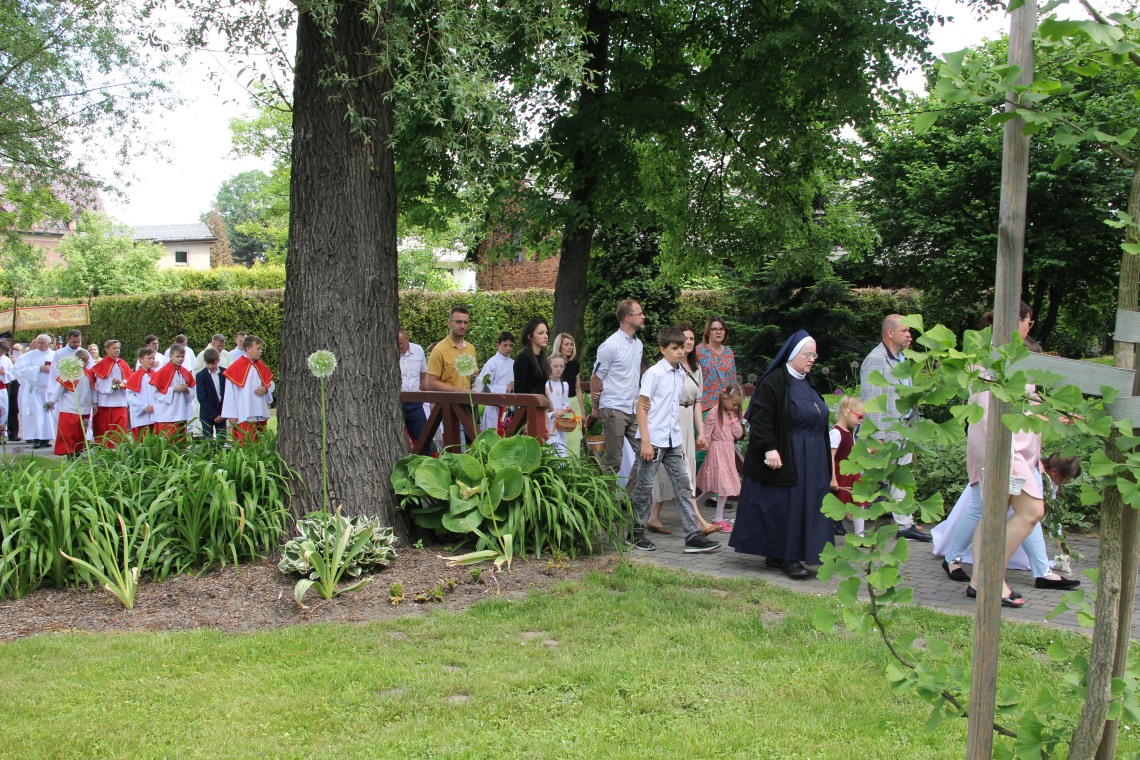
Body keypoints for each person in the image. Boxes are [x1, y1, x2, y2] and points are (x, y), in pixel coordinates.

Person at [729, 331, 833, 579]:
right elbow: (761, 417)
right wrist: (769, 447)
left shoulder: (808, 382)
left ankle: (782, 553)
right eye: (808, 354)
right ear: (793, 354)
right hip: (789, 452)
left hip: (812, 457)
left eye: (815, 355)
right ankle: (788, 556)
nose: (812, 359)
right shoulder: (774, 381)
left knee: (808, 505)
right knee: (790, 506)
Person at [629, 326, 721, 554]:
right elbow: (641, 406)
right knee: (644, 487)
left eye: (682, 347)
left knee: (683, 485)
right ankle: (635, 533)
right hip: (653, 439)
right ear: (663, 349)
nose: (680, 351)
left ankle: (692, 536)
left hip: (673, 439)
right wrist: (646, 441)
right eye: (674, 348)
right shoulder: (654, 373)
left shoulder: (681, 373)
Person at [860, 314, 932, 542]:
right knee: (870, 479)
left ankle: (904, 524)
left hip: (903, 431)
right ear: (890, 333)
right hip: (886, 432)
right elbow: (871, 399)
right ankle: (854, 523)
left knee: (900, 478)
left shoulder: (903, 359)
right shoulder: (876, 359)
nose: (909, 335)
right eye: (905, 331)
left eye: (909, 331)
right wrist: (877, 436)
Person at [647, 323, 718, 536]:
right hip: (672, 418)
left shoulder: (696, 368)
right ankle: (697, 520)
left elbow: (697, 402)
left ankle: (653, 516)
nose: (688, 342)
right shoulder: (668, 368)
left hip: (687, 420)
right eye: (684, 338)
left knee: (686, 469)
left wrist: (701, 432)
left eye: (691, 339)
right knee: (676, 471)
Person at [590, 299, 646, 489]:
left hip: (633, 408)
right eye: (640, 313)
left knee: (645, 453)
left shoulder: (638, 344)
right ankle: (607, 502)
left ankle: (629, 498)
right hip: (614, 408)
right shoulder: (610, 345)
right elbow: (596, 378)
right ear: (628, 318)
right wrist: (596, 407)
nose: (643, 316)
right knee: (614, 460)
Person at [695, 383, 745, 532]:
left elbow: (738, 434)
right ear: (725, 397)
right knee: (723, 486)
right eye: (734, 404)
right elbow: (707, 433)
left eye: (737, 405)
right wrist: (703, 444)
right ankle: (718, 518)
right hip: (717, 452)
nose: (735, 407)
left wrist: (733, 418)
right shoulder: (714, 413)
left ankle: (694, 506)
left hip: (728, 452)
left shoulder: (731, 414)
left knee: (715, 488)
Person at [426, 306, 479, 443]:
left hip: (469, 405)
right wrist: (459, 390)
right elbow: (430, 383)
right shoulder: (439, 350)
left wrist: (477, 384)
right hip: (449, 407)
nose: (462, 326)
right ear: (449, 323)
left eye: (466, 322)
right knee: (457, 447)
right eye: (458, 322)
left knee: (474, 446)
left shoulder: (471, 348)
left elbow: (473, 375)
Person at [222, 335, 275, 444]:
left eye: (261, 349)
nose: (261, 351)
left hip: (259, 411)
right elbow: (229, 393)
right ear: (248, 349)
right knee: (245, 442)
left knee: (260, 442)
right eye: (258, 348)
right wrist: (231, 414)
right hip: (244, 411)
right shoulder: (235, 367)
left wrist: (265, 389)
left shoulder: (261, 366)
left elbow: (271, 384)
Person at [44, 349, 94, 456]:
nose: (87, 363)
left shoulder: (89, 374)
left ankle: (78, 450)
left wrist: (95, 403)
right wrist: (52, 402)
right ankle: (69, 452)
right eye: (85, 361)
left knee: (80, 432)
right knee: (69, 431)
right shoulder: (69, 373)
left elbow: (93, 390)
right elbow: (59, 388)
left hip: (84, 407)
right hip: (70, 407)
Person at [829, 395, 868, 536]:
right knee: (837, 504)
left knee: (859, 502)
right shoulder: (836, 433)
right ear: (847, 411)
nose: (861, 420)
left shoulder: (849, 432)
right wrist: (833, 479)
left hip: (851, 472)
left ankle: (860, 535)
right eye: (859, 416)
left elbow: (852, 451)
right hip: (841, 473)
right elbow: (831, 457)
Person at [14, 334, 56, 448]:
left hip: (49, 391)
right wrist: (38, 369)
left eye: (42, 342)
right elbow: (20, 369)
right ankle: (36, 438)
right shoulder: (28, 356)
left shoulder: (55, 355)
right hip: (35, 390)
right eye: (38, 342)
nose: (40, 345)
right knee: (36, 415)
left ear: (49, 343)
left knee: (48, 416)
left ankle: (46, 439)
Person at [90, 339, 132, 447]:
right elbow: (98, 385)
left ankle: (119, 451)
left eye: (118, 348)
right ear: (107, 350)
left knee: (120, 431)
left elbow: (129, 380)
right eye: (114, 348)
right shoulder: (102, 364)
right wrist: (112, 382)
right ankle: (106, 451)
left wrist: (122, 384)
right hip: (105, 403)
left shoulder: (123, 363)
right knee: (105, 431)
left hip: (120, 402)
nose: (117, 350)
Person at [150, 344, 196, 441]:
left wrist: (187, 390)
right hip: (167, 414)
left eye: (182, 356)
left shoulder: (185, 372)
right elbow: (155, 392)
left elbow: (193, 391)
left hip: (181, 411)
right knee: (168, 441)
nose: (180, 359)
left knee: (180, 441)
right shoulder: (163, 371)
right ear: (170, 356)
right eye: (177, 356)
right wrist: (173, 389)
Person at [551, 333, 584, 456]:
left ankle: (575, 466)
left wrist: (583, 412)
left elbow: (578, 389)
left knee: (575, 440)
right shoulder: (551, 364)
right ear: (559, 346)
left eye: (571, 344)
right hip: (558, 405)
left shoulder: (575, 365)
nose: (570, 347)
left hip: (574, 404)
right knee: (560, 441)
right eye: (566, 344)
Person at [476, 331, 515, 432]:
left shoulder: (514, 363)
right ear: (498, 345)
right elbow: (481, 386)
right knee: (492, 435)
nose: (508, 348)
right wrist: (504, 389)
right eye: (505, 345)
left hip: (509, 407)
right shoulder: (491, 363)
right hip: (493, 409)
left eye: (510, 345)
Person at [398, 327, 430, 443]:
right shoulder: (389, 353)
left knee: (424, 438)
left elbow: (423, 376)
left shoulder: (418, 350)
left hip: (416, 403)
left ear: (407, 338)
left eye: (401, 343)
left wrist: (430, 398)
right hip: (398, 403)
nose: (398, 346)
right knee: (401, 440)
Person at [513, 318, 551, 397]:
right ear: (530, 336)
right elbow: (519, 391)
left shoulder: (542, 358)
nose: (545, 336)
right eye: (541, 333)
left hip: (540, 403)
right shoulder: (523, 358)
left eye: (546, 333)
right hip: (527, 403)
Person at [195, 347, 228, 440]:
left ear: (218, 361)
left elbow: (227, 394)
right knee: (207, 439)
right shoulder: (201, 375)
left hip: (221, 411)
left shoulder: (224, 373)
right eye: (207, 364)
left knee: (222, 438)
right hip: (207, 412)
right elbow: (202, 398)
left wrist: (224, 413)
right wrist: (214, 414)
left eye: (213, 363)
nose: (210, 366)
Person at [126, 347, 158, 439]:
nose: (152, 361)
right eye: (149, 358)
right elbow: (130, 396)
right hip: (141, 417)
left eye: (153, 358)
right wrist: (144, 407)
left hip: (155, 415)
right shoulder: (134, 376)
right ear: (141, 359)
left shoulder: (156, 375)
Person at [545, 354, 573, 456]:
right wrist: (552, 414)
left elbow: (564, 403)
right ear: (549, 367)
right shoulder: (545, 384)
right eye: (555, 366)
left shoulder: (564, 385)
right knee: (550, 450)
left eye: (561, 366)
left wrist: (567, 409)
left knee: (561, 450)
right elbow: (542, 409)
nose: (558, 369)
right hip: (548, 423)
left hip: (560, 424)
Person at [0, 340, 14, 441]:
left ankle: (1, 433)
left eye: (3, 351)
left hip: (2, 389)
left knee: (3, 411)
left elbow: (13, 374)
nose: (2, 353)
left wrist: (5, 373)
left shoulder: (6, 360)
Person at [7, 341, 20, 442]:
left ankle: (13, 432)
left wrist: (14, 362)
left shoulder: (16, 352)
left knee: (13, 408)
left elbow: (20, 368)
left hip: (13, 383)